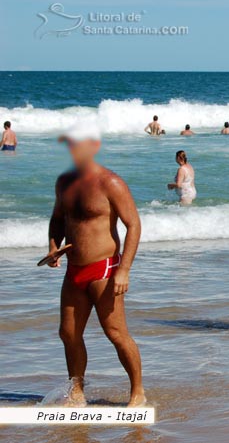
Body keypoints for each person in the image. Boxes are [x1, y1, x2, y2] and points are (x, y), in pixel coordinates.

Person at [44, 124, 146, 407]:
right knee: (68, 333)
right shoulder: (64, 182)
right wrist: (54, 247)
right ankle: (76, 391)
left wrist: (124, 269)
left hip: (105, 269)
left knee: (115, 333)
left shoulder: (110, 182)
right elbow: (57, 219)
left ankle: (137, 392)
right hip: (74, 270)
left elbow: (133, 225)